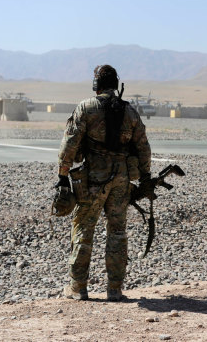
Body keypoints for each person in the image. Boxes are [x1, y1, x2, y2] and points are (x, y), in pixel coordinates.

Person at [56, 65, 151, 301]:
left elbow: (70, 144)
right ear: (116, 85)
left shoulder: (86, 108)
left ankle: (78, 288)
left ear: (96, 84)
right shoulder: (130, 112)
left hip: (93, 179)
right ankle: (115, 289)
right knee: (117, 232)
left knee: (83, 229)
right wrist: (146, 177)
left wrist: (62, 175)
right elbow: (143, 148)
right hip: (121, 179)